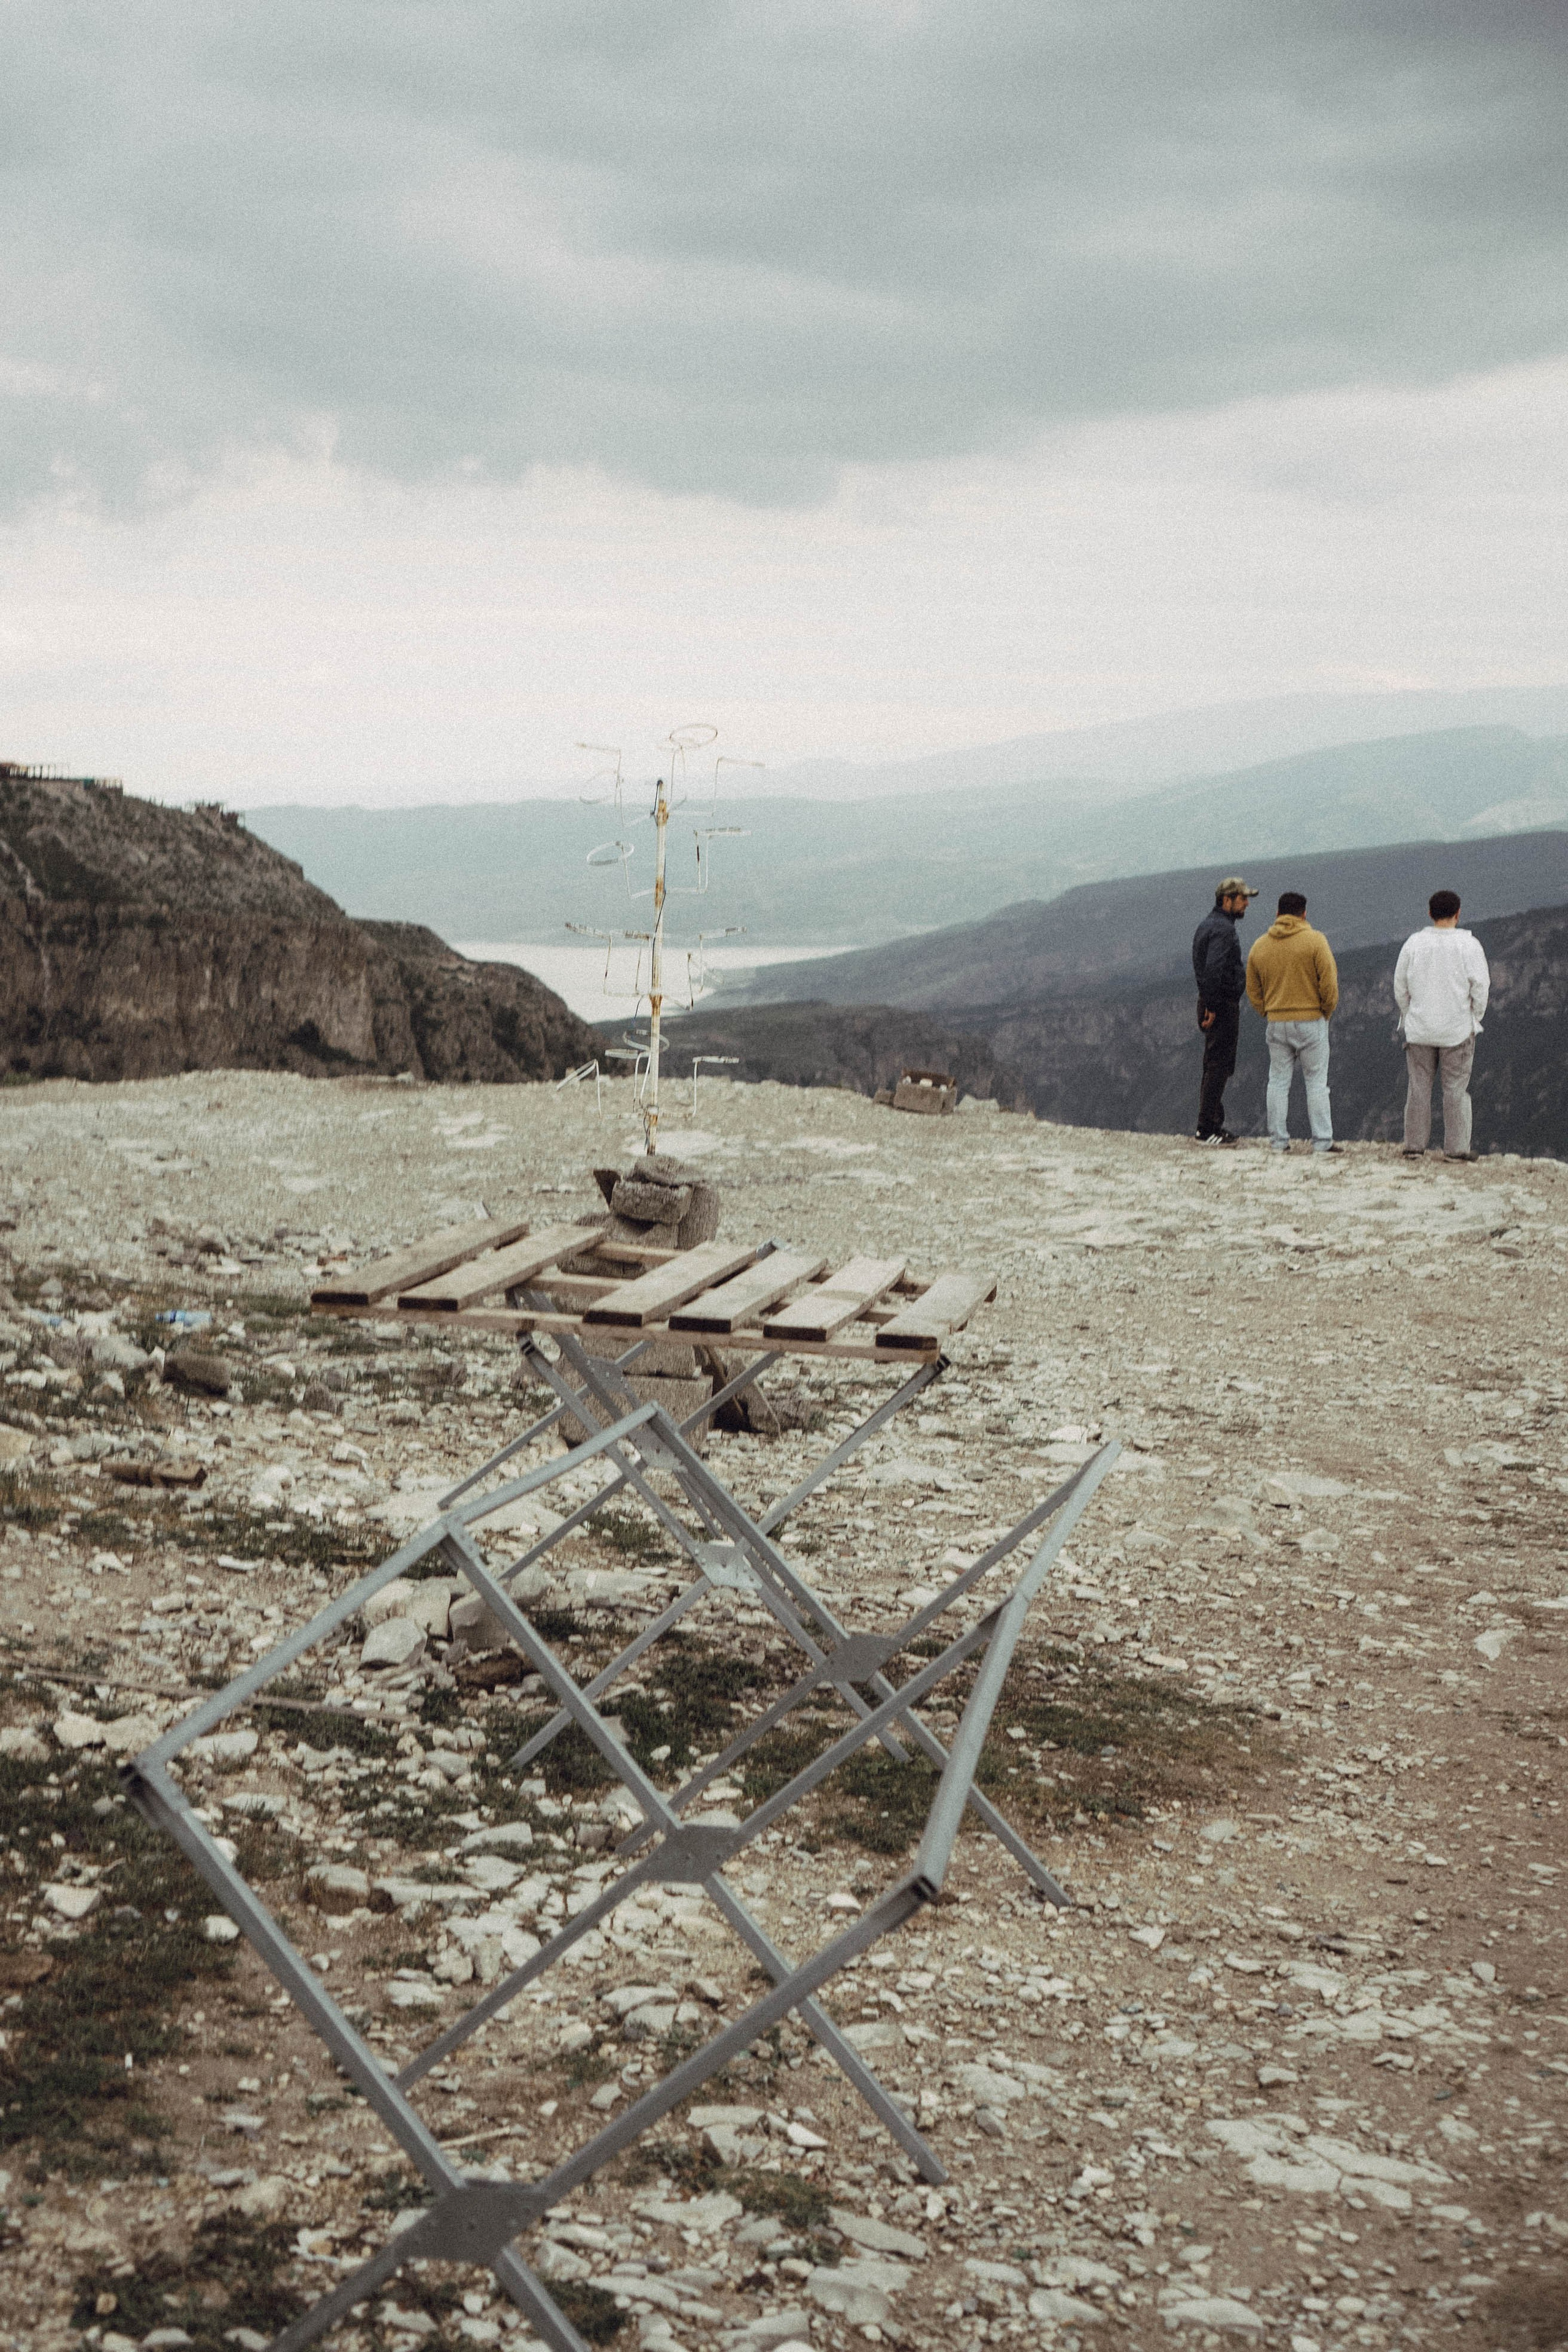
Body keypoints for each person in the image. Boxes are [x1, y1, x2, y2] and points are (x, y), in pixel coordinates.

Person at [1394, 889, 1490, 1161]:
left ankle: (1414, 1147)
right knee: (1456, 1091)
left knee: (1419, 1088)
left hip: (1420, 1030)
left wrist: (1409, 1015)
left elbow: (1400, 986)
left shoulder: (1413, 944)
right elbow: (1481, 987)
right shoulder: (1470, 945)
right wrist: (1475, 1019)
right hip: (1457, 1030)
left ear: (1430, 913)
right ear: (1458, 914)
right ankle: (1456, 1150)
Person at [1245, 890, 1341, 1155]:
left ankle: (1278, 1142)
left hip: (1277, 1022)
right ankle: (1322, 1142)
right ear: (1304, 914)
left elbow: (1252, 988)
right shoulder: (1315, 941)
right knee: (1316, 1083)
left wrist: (1266, 1011)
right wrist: (1325, 1012)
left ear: (1278, 914)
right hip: (1311, 1019)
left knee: (1277, 1082)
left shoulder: (1260, 946)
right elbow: (1329, 984)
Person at [1191, 875, 1259, 1143]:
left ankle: (1211, 1124)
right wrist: (1214, 1007)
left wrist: (1207, 1002)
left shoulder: (1208, 925)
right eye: (1243, 899)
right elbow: (1213, 970)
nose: (1246, 905)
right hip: (1221, 1006)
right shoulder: (1224, 930)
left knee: (1213, 1064)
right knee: (1219, 1066)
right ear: (1226, 900)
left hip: (1212, 1001)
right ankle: (1207, 1128)